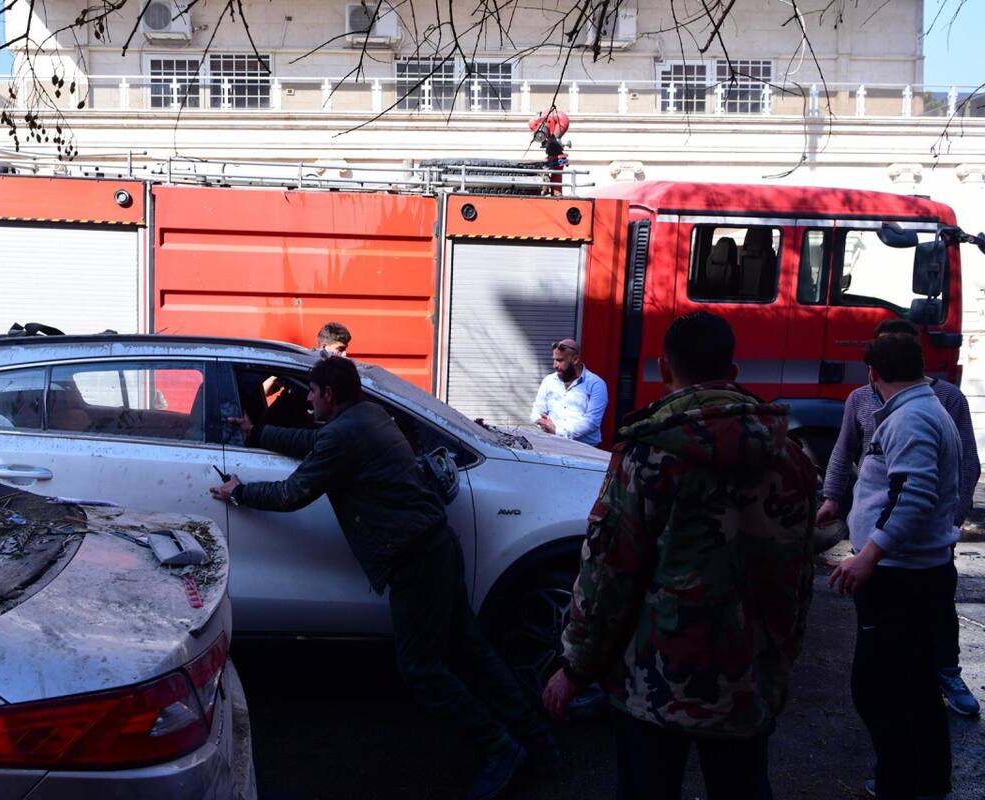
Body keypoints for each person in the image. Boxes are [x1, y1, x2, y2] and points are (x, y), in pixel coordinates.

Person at [211, 356, 552, 800]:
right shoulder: (367, 415)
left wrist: (238, 491)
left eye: (311, 392)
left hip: (412, 560)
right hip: (435, 547)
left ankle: (500, 747)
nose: (307, 399)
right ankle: (538, 740)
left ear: (329, 394)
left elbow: (292, 492)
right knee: (472, 649)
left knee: (421, 669)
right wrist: (256, 433)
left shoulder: (344, 433)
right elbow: (315, 441)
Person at [543, 311, 816, 800]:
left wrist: (575, 666)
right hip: (748, 677)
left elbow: (610, 570)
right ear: (732, 372)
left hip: (656, 682)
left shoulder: (648, 453)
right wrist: (781, 658)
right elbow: (799, 573)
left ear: (663, 367)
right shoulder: (790, 455)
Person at [818, 318, 981, 717]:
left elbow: (958, 468)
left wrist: (950, 521)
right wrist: (832, 498)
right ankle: (917, 764)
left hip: (908, 553)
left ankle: (948, 673)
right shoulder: (861, 399)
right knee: (894, 656)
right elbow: (844, 452)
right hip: (884, 548)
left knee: (919, 643)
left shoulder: (935, 404)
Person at [829, 332, 960, 800]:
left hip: (901, 578)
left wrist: (869, 555)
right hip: (915, 573)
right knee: (917, 683)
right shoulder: (923, 409)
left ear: (873, 374)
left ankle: (899, 785)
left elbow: (913, 495)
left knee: (880, 690)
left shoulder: (911, 418)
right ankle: (927, 782)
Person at [529, 339, 608, 446]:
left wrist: (557, 431)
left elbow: (591, 422)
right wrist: (542, 422)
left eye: (560, 360)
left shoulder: (596, 384)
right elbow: (537, 410)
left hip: (585, 449)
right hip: (552, 444)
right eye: (554, 360)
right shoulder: (549, 381)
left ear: (575, 359)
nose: (555, 365)